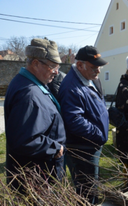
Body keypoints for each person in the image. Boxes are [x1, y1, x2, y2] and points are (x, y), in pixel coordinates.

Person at [4, 38, 66, 191]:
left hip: (38, 174)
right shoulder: (29, 93)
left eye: (58, 66)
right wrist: (55, 148)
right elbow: (24, 139)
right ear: (36, 63)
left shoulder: (31, 84)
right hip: (37, 178)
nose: (56, 72)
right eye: (52, 66)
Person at [58, 45, 109, 204]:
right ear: (80, 65)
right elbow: (74, 121)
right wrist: (99, 134)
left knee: (93, 185)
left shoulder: (92, 79)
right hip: (83, 149)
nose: (98, 71)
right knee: (87, 192)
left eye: (99, 67)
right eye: (94, 67)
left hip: (93, 144)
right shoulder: (71, 87)